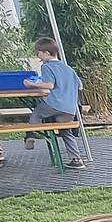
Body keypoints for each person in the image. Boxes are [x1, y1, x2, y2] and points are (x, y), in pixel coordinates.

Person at [26, 37, 87, 169]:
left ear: (46, 53)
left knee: (36, 113)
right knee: (66, 131)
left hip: (55, 104)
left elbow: (49, 85)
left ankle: (30, 134)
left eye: (38, 52)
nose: (38, 55)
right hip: (69, 108)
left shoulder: (47, 67)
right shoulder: (68, 68)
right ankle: (76, 159)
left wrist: (32, 84)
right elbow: (80, 86)